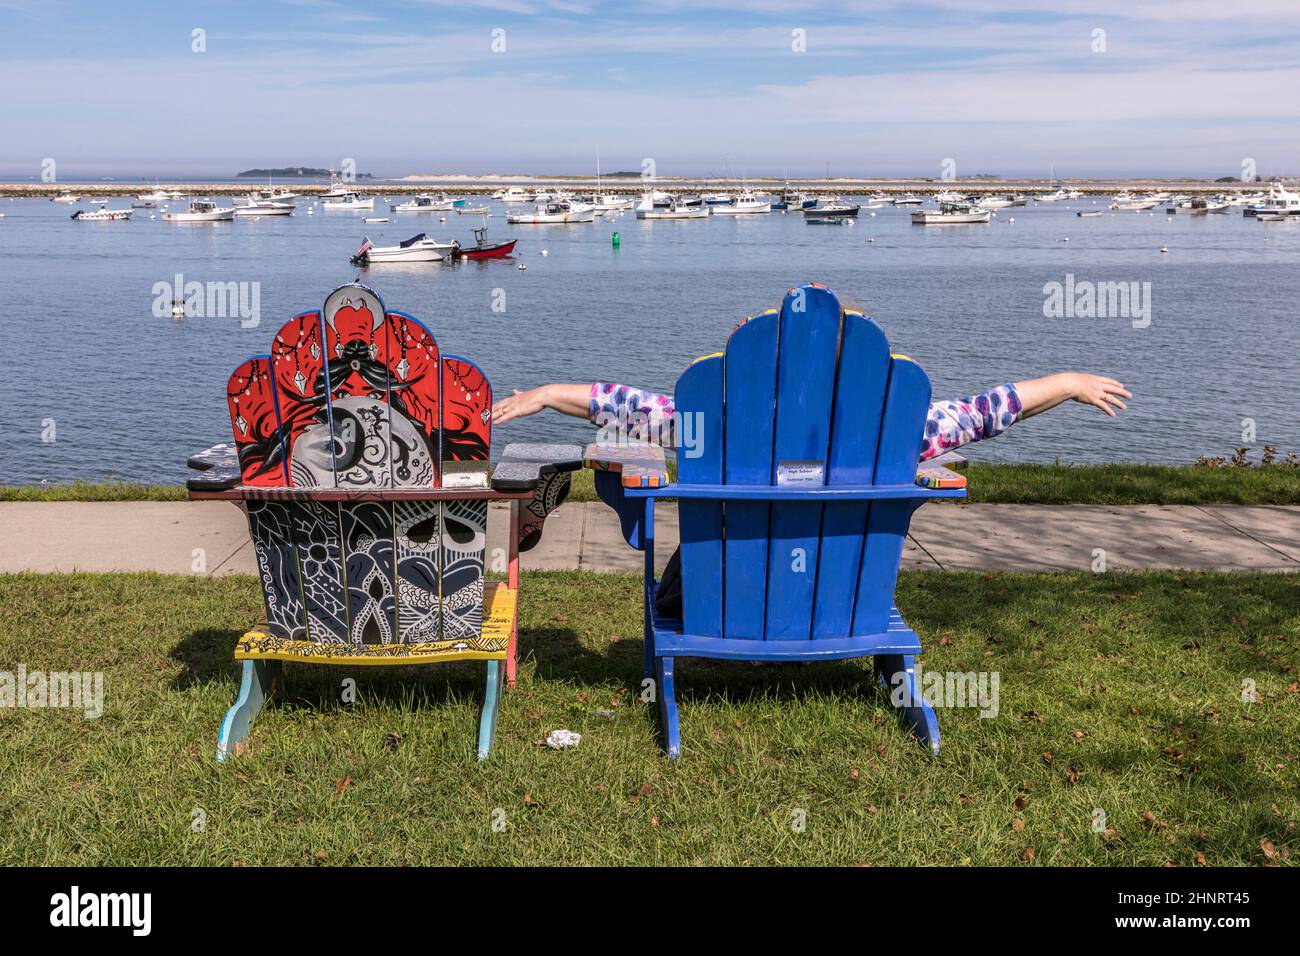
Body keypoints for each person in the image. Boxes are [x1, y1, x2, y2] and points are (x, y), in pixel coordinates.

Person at [493, 369, 1130, 615]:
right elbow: (990, 410)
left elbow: (623, 405)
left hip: (723, 600)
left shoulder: (710, 421)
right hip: (838, 603)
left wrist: (550, 394)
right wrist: (1070, 381)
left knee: (697, 557)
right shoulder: (893, 429)